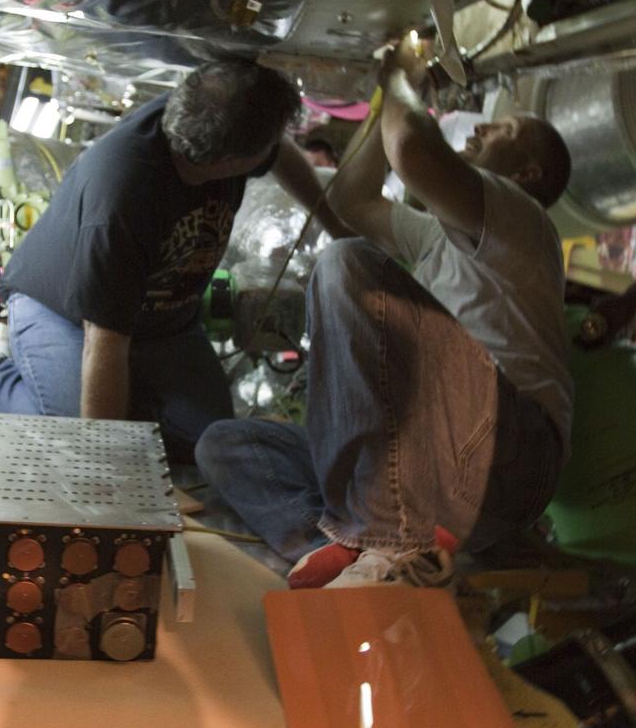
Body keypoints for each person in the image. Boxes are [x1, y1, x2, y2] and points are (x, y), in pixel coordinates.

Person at [195, 37, 574, 587]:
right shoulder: (441, 238)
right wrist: (391, 97)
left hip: (507, 461)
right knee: (227, 446)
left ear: (529, 174)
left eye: (505, 132)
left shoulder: (524, 219)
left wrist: (402, 77)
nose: (481, 130)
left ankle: (376, 538)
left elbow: (414, 154)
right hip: (436, 478)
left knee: (347, 263)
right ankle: (350, 556)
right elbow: (354, 199)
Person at [0, 57, 343, 461]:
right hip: (64, 313)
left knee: (210, 443)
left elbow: (281, 153)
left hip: (164, 320)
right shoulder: (123, 195)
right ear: (230, 163)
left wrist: (335, 225)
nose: (273, 150)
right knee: (74, 446)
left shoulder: (214, 116)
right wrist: (106, 469)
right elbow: (105, 344)